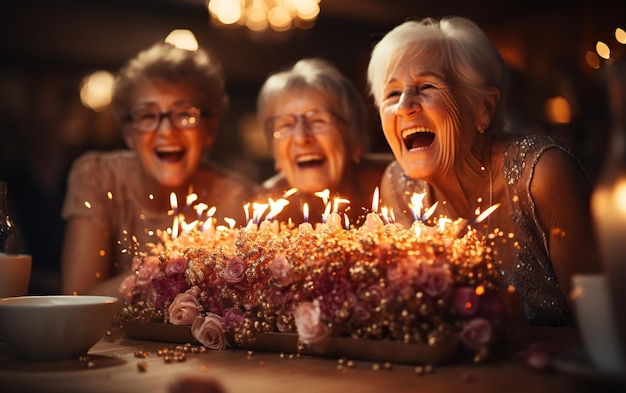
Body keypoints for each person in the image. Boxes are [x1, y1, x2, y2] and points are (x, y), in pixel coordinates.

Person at [366, 16, 601, 326]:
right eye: (392, 94)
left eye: (426, 86)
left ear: (484, 108)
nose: (405, 106)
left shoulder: (544, 174)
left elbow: (601, 323)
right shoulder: (398, 184)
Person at [61, 40, 257, 299]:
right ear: (129, 133)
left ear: (209, 130)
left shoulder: (235, 196)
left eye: (185, 115)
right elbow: (77, 301)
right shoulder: (99, 177)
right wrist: (162, 272)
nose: (166, 131)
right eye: (148, 116)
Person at [256, 58, 390, 227]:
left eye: (318, 121)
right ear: (275, 153)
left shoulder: (395, 183)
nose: (301, 138)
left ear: (355, 138)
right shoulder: (266, 210)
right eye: (286, 125)